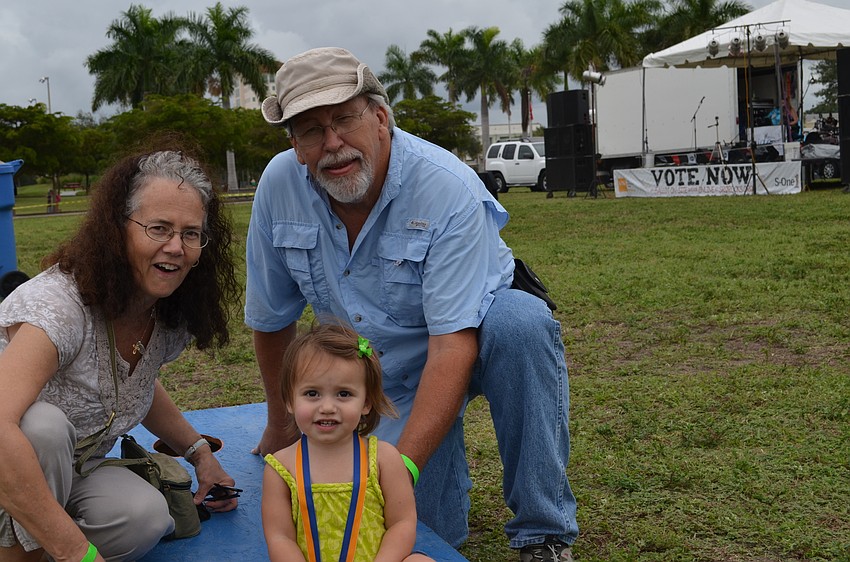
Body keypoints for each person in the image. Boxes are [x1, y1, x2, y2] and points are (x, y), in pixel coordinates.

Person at [246, 47, 578, 561]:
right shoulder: (278, 186)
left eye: (344, 120)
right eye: (311, 130)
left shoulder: (447, 187)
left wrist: (395, 472)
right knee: (421, 535)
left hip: (463, 343)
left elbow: (452, 345)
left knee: (522, 324)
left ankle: (543, 533)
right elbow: (272, 321)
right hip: (375, 375)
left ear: (380, 118)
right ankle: (443, 485)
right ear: (295, 145)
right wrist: (280, 425)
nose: (332, 144)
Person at [0, 146, 242, 562]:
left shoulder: (166, 310)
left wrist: (199, 453)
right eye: (159, 228)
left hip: (74, 468)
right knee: (42, 427)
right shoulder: (57, 306)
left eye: (191, 233)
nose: (176, 247)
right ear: (117, 229)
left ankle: (39, 538)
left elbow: (135, 382)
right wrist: (76, 551)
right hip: (10, 457)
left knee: (144, 518)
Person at [261, 321, 434, 562]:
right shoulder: (281, 468)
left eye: (344, 394)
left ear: (366, 403)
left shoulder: (384, 458)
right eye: (312, 393)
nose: (327, 407)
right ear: (290, 401)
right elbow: (280, 538)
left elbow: (402, 523)